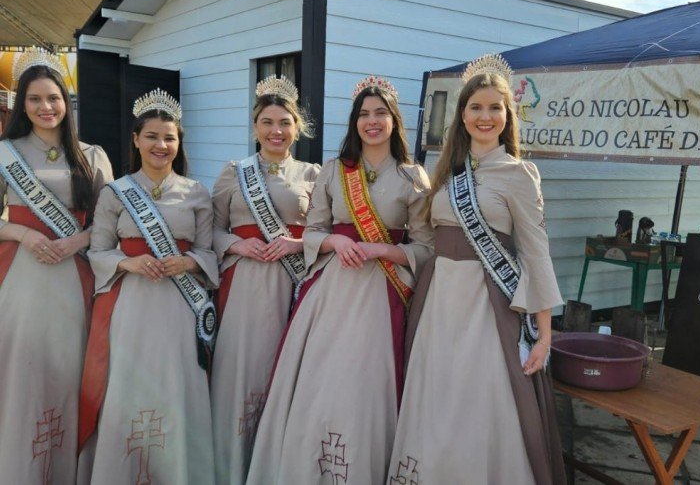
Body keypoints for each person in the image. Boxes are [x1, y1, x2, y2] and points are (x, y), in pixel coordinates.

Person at [388, 54, 567, 484]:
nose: (485, 116)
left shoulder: (520, 173)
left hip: (487, 304)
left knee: (478, 400)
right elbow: (427, 240)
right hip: (438, 301)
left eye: (495, 108)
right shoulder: (446, 172)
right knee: (435, 394)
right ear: (462, 116)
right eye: (476, 107)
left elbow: (536, 252)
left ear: (507, 116)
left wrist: (545, 333)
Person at [245, 76, 434, 484]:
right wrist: (332, 239)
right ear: (354, 122)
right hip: (330, 292)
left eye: (380, 113)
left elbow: (426, 247)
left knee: (364, 385)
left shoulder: (414, 177)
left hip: (382, 293)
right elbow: (311, 232)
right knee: (320, 382)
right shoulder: (334, 170)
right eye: (364, 114)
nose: (372, 121)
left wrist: (382, 250)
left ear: (394, 120)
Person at [77, 89, 217, 485]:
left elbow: (210, 252)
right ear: (136, 140)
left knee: (176, 387)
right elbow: (97, 250)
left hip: (179, 310)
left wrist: (190, 262)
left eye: (169, 137)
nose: (161, 145)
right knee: (129, 389)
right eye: (152, 136)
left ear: (179, 142)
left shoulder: (197, 193)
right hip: (131, 308)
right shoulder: (115, 192)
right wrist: (128, 261)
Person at [0, 47, 113, 484]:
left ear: (67, 103)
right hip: (21, 282)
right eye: (35, 99)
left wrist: (76, 242)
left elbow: (109, 220)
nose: (46, 108)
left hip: (75, 281)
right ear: (21, 105)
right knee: (22, 375)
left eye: (54, 98)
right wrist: (25, 234)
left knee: (69, 373)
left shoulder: (92, 155)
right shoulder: (6, 153)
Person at [210, 75, 320, 484]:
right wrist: (236, 247)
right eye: (267, 122)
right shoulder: (232, 173)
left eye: (285, 122)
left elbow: (325, 231)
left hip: (291, 289)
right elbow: (211, 232)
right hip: (242, 288)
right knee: (238, 375)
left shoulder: (313, 173)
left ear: (296, 128)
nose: (276, 131)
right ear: (255, 127)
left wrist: (296, 243)